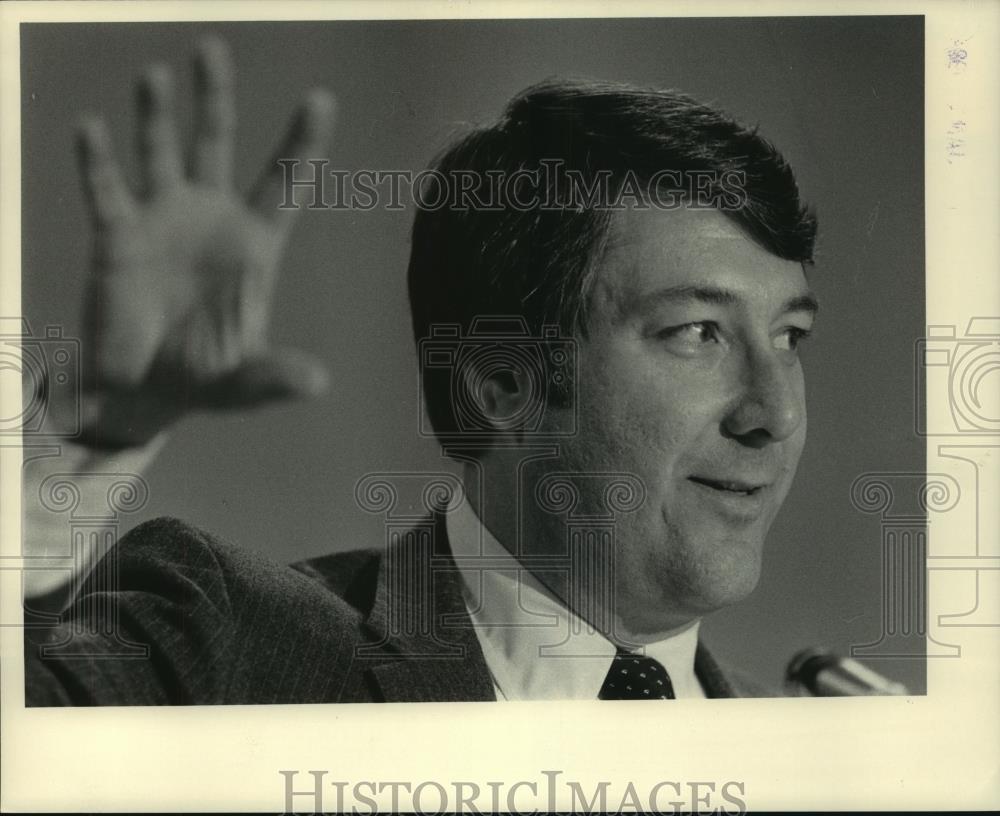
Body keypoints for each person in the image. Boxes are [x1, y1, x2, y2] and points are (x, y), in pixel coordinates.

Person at [23, 37, 818, 704]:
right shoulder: (224, 647)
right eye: (697, 332)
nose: (772, 412)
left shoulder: (813, 755)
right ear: (503, 385)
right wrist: (90, 431)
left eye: (790, 337)